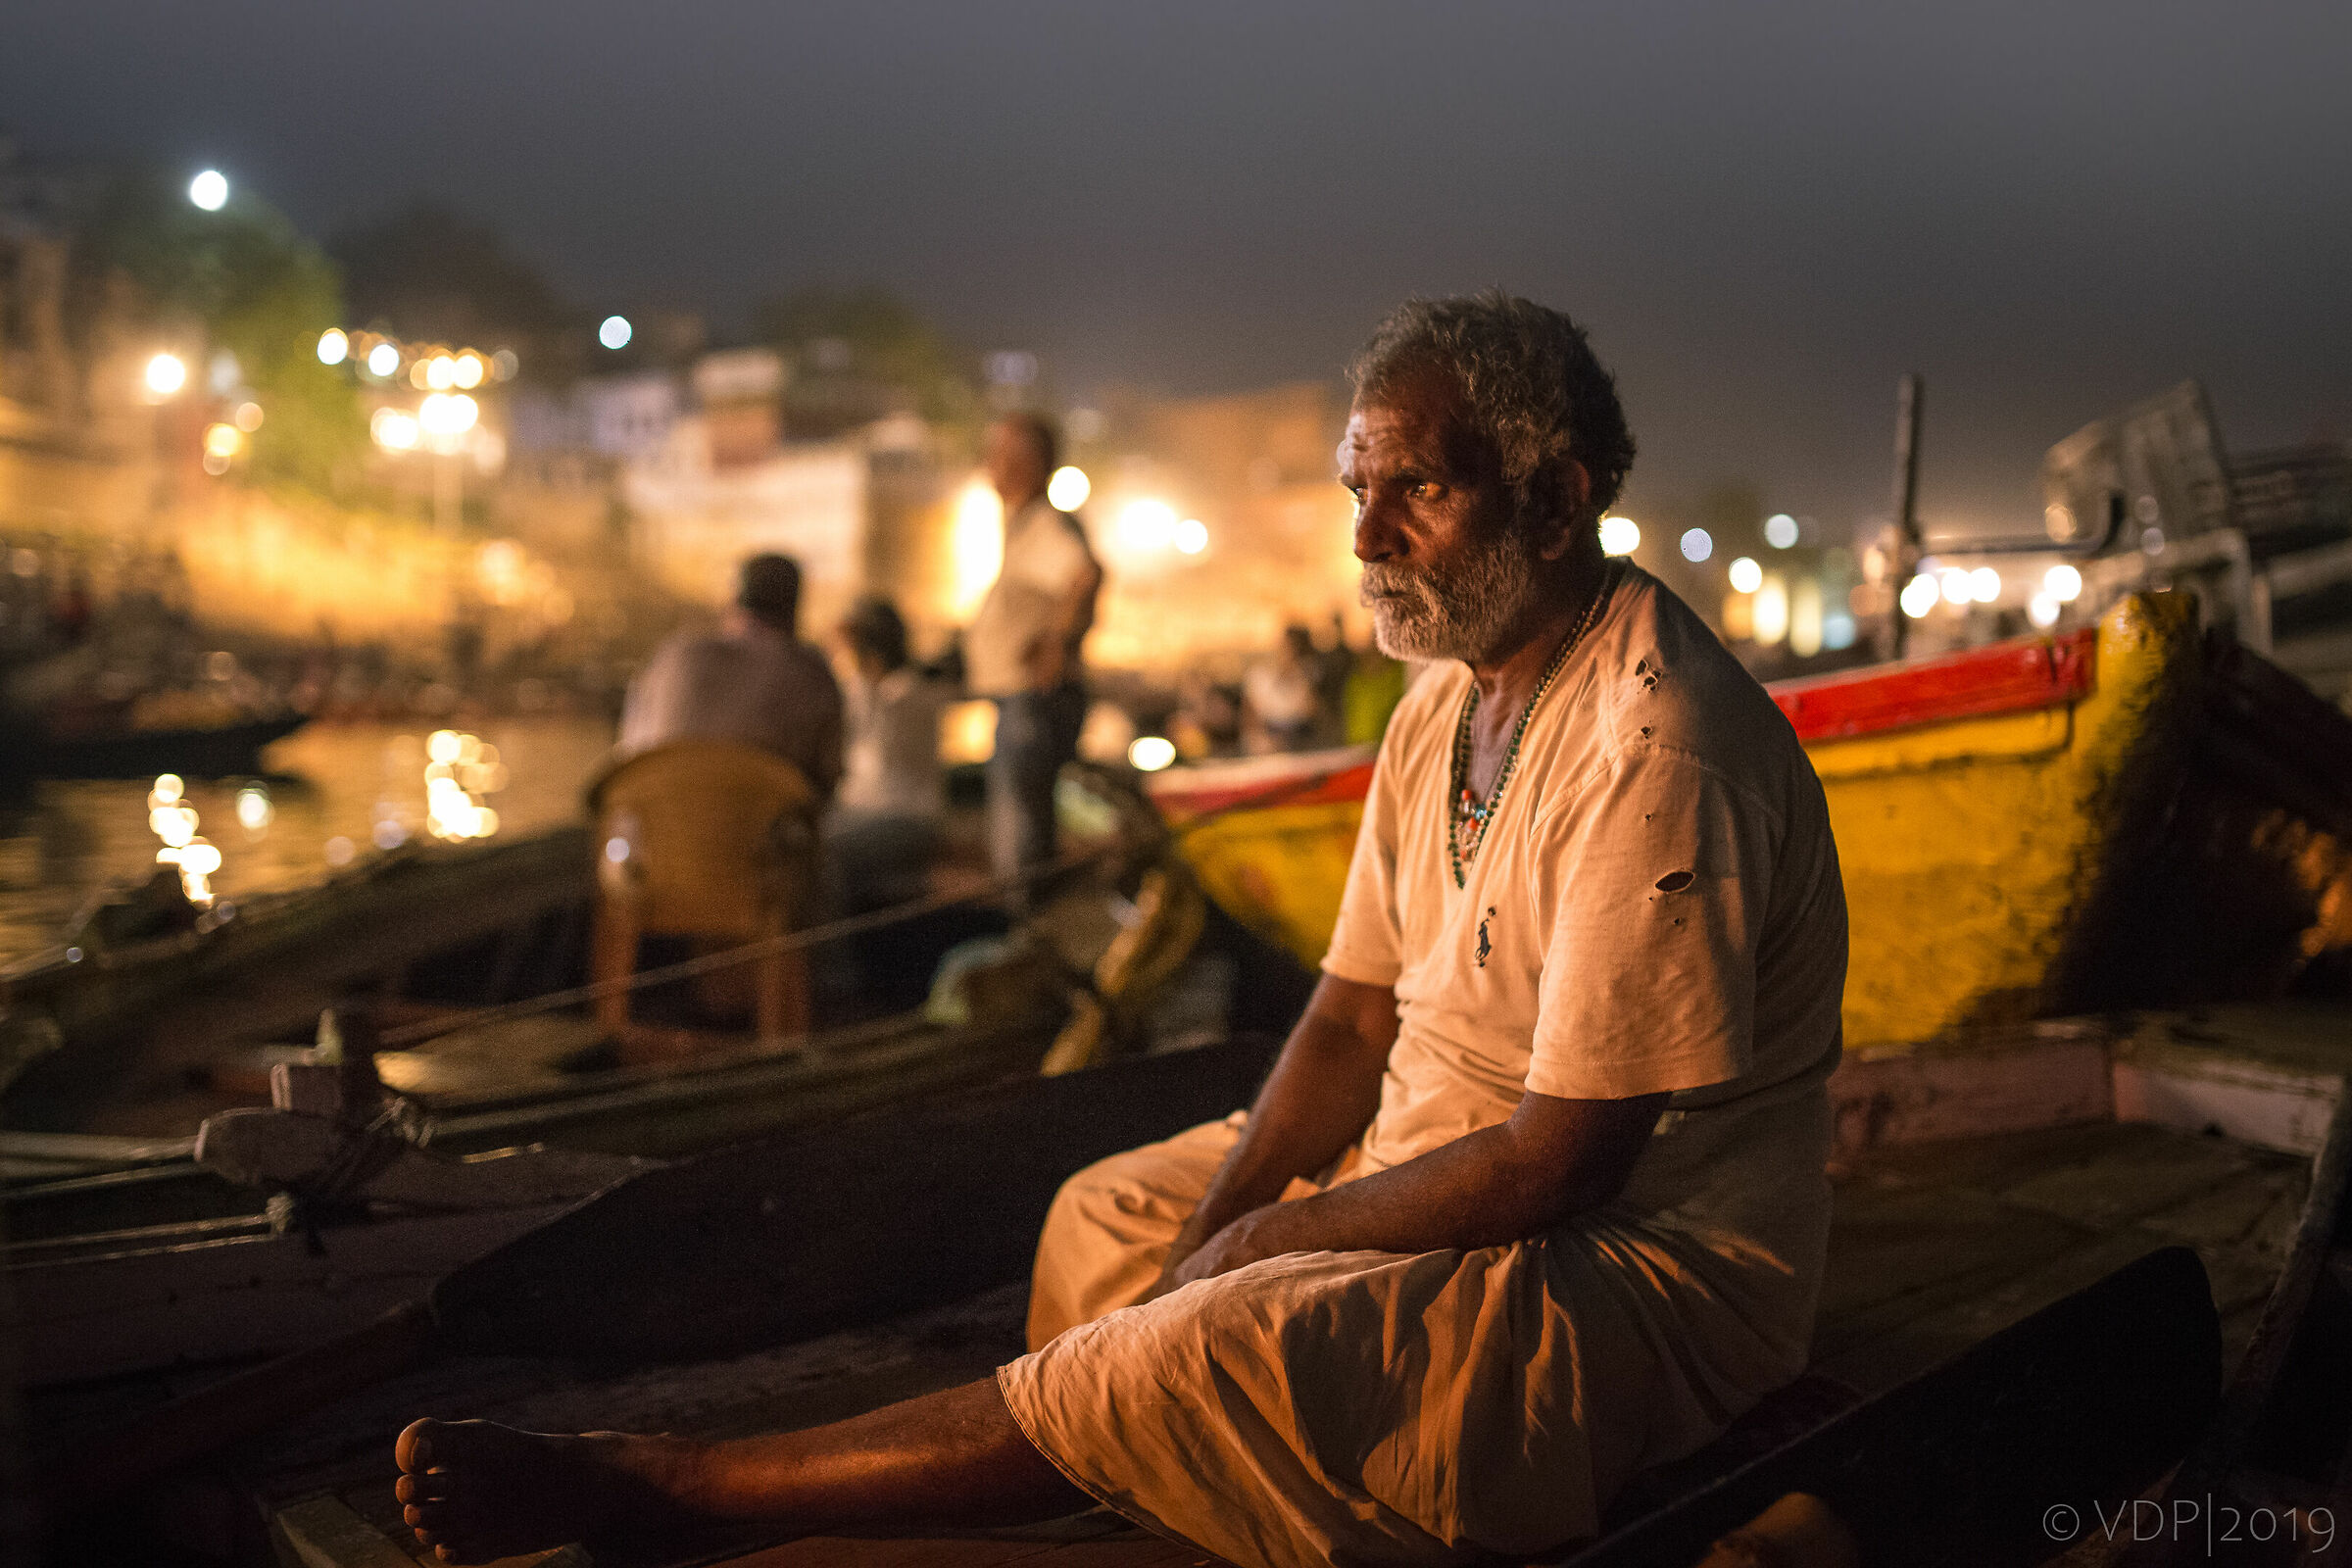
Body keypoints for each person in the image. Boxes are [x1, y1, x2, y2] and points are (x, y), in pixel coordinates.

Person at [391, 293, 1847, 1568]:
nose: (1364, 537)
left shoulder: (1661, 743)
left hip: (1632, 1272)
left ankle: (679, 1487)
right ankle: (1146, 1479)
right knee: (1108, 1219)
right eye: (1359, 488)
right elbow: (1347, 1020)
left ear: (1553, 496)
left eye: (1417, 492)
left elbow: (1565, 1160)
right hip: (1426, 1162)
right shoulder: (1443, 704)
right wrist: (1227, 1222)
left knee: (1213, 1324)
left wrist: (1276, 1239)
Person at [962, 414, 1101, 897]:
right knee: (1022, 836)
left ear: (1025, 463)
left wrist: (1056, 645)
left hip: (1030, 704)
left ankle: (1027, 945)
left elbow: (1085, 576)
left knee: (1021, 848)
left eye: (998, 454)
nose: (988, 465)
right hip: (1022, 703)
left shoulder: (1042, 524)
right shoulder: (1022, 526)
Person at [614, 553, 843, 802]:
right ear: (795, 611)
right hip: (759, 834)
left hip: (659, 829)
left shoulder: (670, 657)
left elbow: (628, 752)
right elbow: (827, 780)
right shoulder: (811, 672)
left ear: (732, 603)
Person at [825, 594, 950, 912]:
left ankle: (838, 962)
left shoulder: (910, 694)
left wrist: (858, 675)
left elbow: (878, 741)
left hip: (903, 817)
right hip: (861, 814)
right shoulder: (870, 691)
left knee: (821, 851)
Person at [1241, 621, 1322, 753]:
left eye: (1296, 649)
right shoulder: (1260, 676)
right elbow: (1250, 716)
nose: (1290, 653)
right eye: (1288, 647)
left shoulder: (1306, 676)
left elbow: (1311, 711)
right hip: (1270, 741)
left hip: (1300, 739)